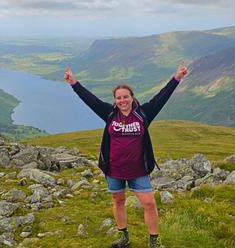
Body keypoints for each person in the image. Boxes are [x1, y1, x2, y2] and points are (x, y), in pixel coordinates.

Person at [66, 62, 188, 248]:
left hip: (138, 170)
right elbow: (90, 100)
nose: (122, 100)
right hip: (114, 169)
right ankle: (124, 237)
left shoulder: (144, 113)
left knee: (149, 204)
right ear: (115, 100)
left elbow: (162, 96)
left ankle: (154, 241)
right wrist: (74, 83)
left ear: (132, 98)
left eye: (125, 97)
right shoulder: (109, 113)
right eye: (118, 98)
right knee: (118, 200)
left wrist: (177, 77)